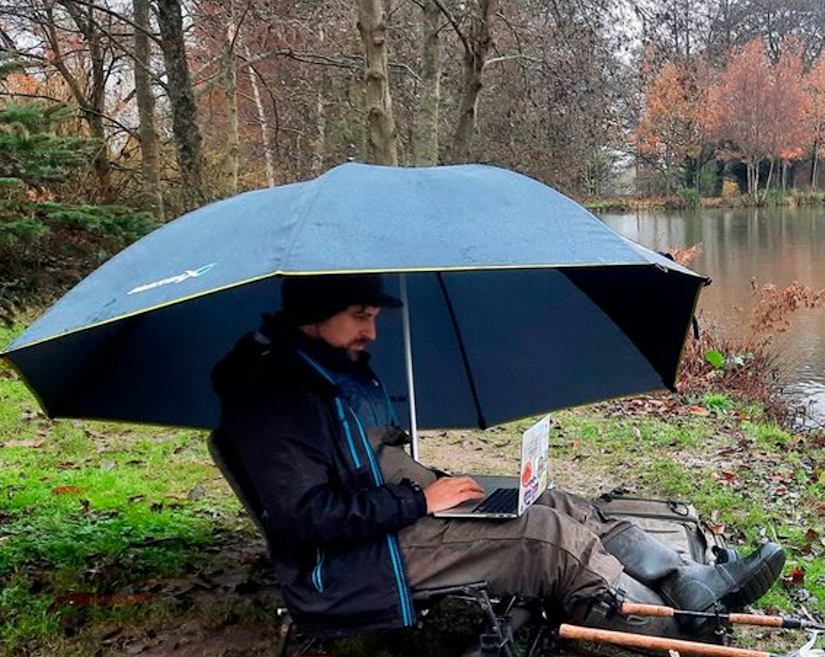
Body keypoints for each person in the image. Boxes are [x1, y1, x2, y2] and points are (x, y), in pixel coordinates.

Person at [209, 273, 785, 637]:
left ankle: (687, 580)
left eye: (376, 318)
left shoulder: (326, 369)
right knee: (547, 539)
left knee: (563, 503)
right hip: (357, 563)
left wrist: (439, 485)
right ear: (314, 314)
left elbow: (363, 461)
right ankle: (679, 629)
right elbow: (305, 517)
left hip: (399, 516)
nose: (373, 334)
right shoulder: (274, 399)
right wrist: (418, 499)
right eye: (361, 317)